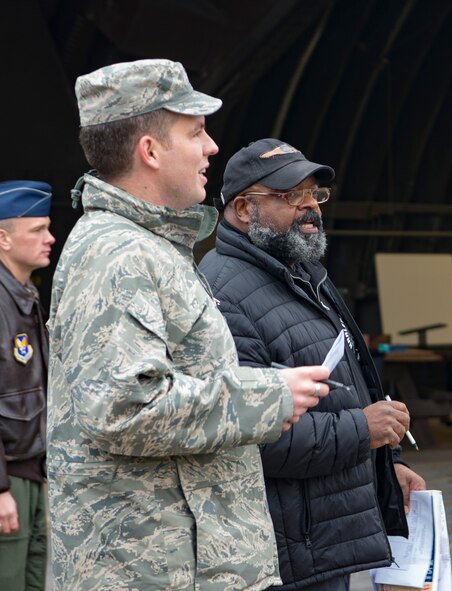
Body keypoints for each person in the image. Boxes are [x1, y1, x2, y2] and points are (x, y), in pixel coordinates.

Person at [46, 60, 330, 591]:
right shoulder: (117, 254)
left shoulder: (153, 248)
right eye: (195, 132)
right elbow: (126, 409)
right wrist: (269, 397)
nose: (212, 148)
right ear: (150, 151)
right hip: (156, 571)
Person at [200, 138, 427, 591]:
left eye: (314, 195)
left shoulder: (305, 275)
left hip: (322, 540)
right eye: (292, 196)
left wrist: (388, 461)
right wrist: (364, 430)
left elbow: (349, 381)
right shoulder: (222, 294)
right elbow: (249, 439)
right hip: (283, 554)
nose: (311, 208)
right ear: (245, 209)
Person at [0, 180, 54, 591]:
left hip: (30, 474)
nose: (51, 238)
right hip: (4, 481)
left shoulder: (23, 296)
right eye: (38, 230)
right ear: (2, 238)